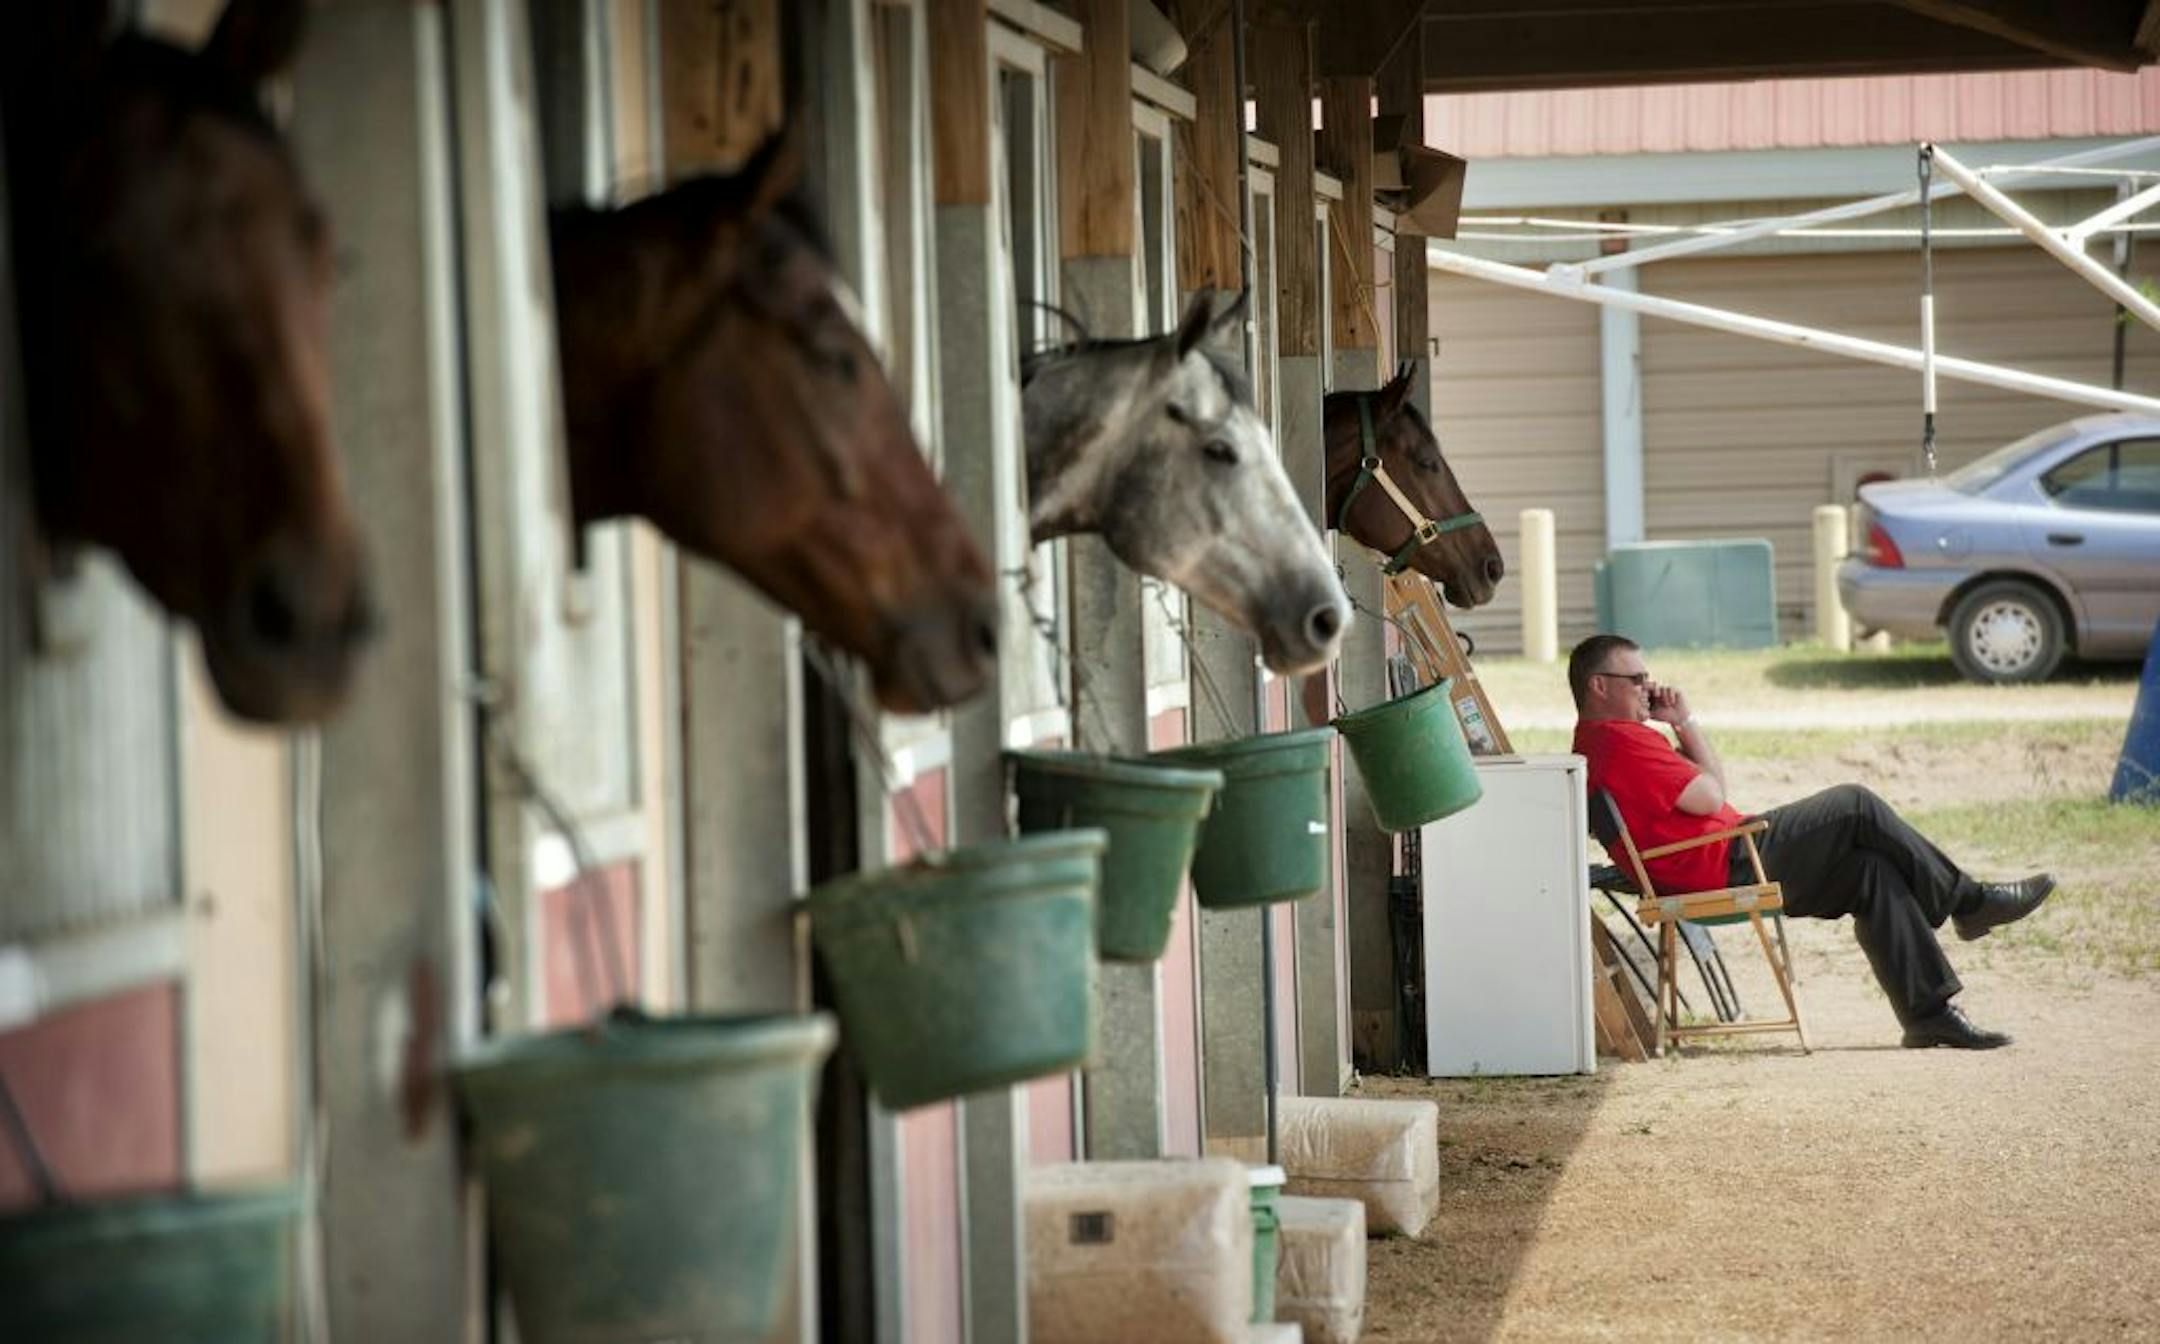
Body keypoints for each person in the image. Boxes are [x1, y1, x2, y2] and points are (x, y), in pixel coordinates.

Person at [1568, 633, 2055, 1050]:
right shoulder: (1620, 741)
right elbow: (1714, 793)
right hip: (1725, 862)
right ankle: (1969, 902)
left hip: (1712, 859)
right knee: (1854, 803)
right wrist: (1686, 723)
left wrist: (1677, 726)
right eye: (1637, 679)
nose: (1647, 688)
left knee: (1871, 871)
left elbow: (1703, 796)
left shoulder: (1603, 740)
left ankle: (1929, 1016)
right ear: (1599, 685)